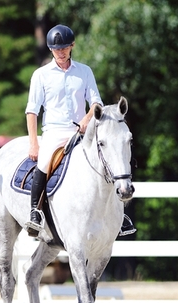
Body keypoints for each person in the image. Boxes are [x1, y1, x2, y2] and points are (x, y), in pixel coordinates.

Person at [24, 24, 136, 237]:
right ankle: (35, 212)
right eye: (57, 49)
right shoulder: (41, 75)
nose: (61, 52)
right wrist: (33, 142)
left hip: (81, 131)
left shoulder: (84, 71)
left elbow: (96, 103)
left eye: (65, 47)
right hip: (54, 132)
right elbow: (32, 111)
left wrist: (86, 120)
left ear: (72, 46)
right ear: (50, 50)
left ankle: (118, 216)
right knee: (45, 161)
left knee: (106, 161)